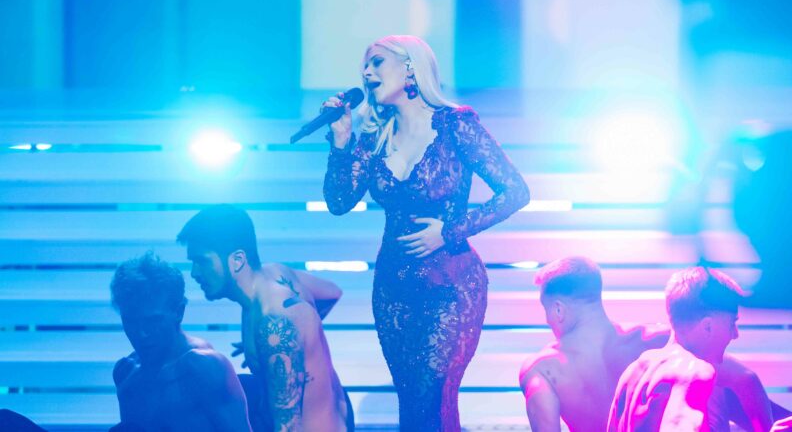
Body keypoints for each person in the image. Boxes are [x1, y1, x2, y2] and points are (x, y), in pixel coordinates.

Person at [322, 35, 530, 431]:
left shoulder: (455, 125)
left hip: (451, 283)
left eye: (377, 62)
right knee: (412, 405)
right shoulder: (373, 138)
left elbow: (515, 192)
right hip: (394, 288)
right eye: (364, 65)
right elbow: (339, 201)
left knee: (431, 397)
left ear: (410, 67)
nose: (366, 72)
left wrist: (449, 232)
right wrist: (342, 141)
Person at [177, 204, 353, 432]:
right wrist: (297, 338)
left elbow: (288, 428)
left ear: (237, 260)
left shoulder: (273, 323)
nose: (194, 273)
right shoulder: (277, 275)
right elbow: (332, 293)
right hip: (341, 416)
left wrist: (281, 340)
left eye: (203, 261)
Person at [607, 267, 774, 432]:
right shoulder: (695, 371)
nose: (735, 334)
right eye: (732, 324)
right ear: (707, 327)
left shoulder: (633, 373)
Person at [519, 257, 671, 432]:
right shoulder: (659, 340)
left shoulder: (543, 369)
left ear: (558, 309)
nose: (547, 320)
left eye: (546, 310)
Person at [110, 253, 252, 432]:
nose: (141, 333)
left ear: (179, 312)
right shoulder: (126, 372)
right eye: (130, 321)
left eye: (153, 321)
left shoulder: (205, 368)